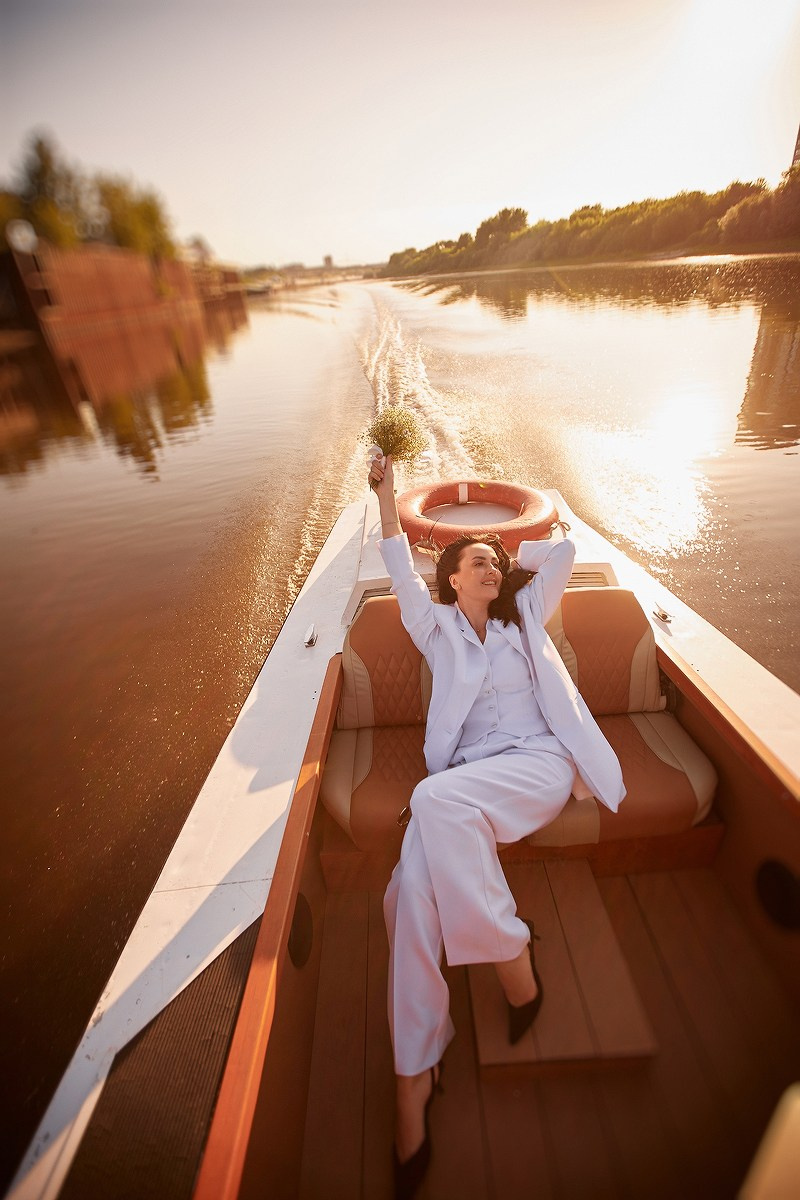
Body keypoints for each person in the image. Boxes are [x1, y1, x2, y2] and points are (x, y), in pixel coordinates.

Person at [369, 455, 625, 1199]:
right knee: (408, 891)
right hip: (465, 777)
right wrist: (386, 492)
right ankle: (413, 1073)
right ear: (449, 579)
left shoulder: (525, 616)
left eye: (495, 560)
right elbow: (394, 556)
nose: (491, 567)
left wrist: (517, 557)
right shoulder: (435, 626)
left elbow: (565, 551)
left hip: (539, 765)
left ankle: (511, 950)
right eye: (476, 560)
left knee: (431, 805)